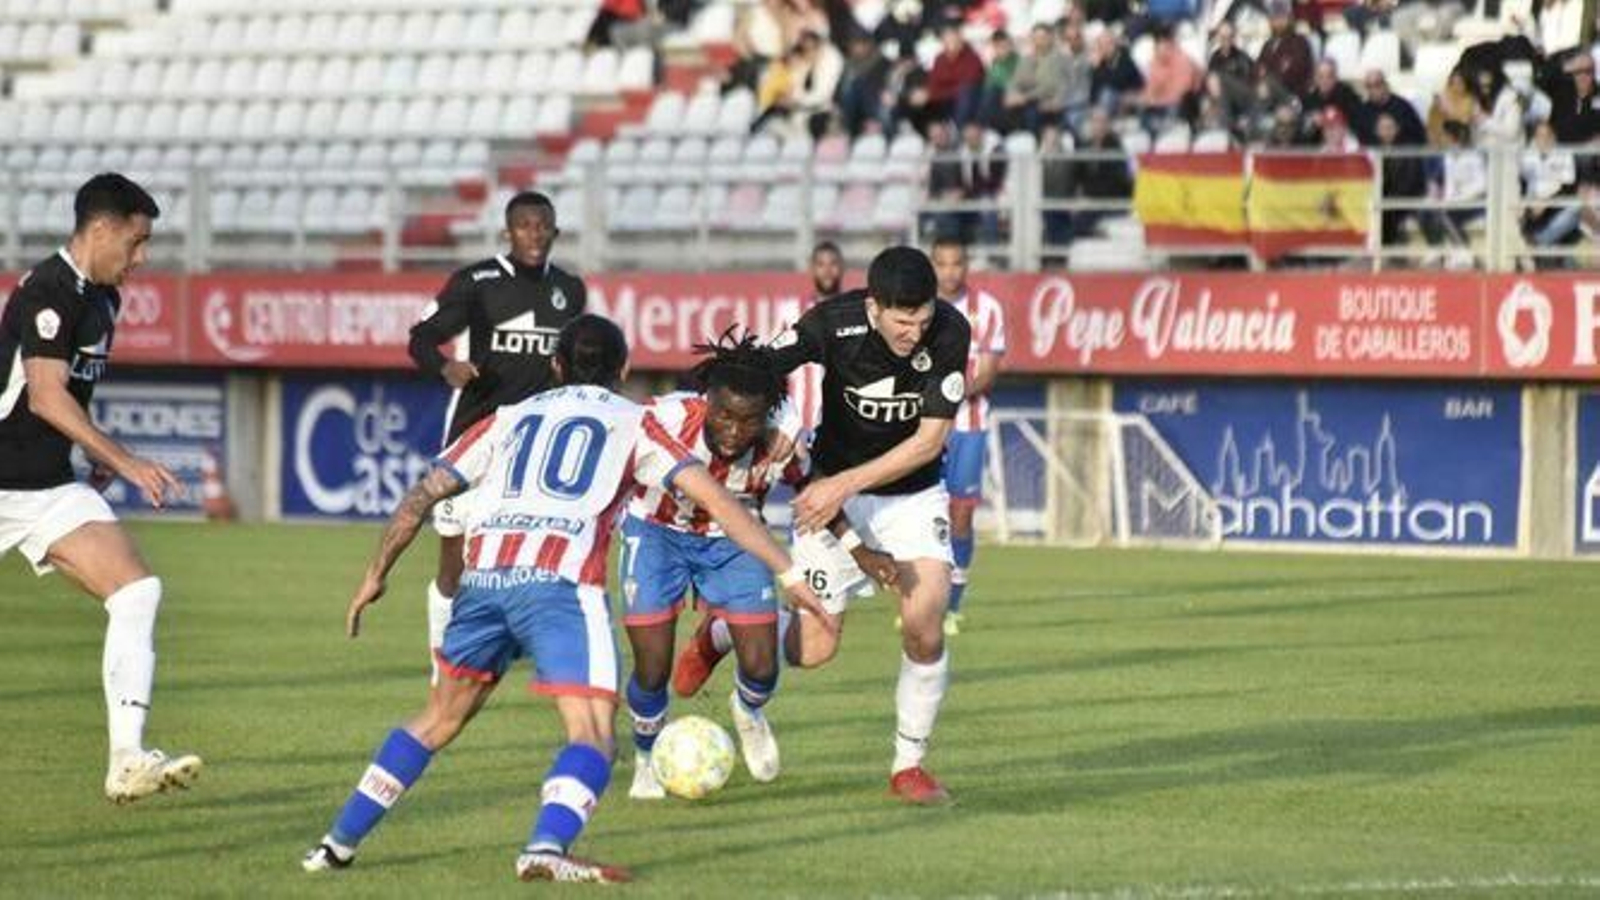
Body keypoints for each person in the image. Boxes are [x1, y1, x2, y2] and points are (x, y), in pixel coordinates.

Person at [302, 316, 829, 882]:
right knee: (595, 737)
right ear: (624, 370)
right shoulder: (638, 423)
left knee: (437, 718)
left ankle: (336, 844)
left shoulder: (506, 417)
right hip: (558, 586)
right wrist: (790, 572)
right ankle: (545, 848)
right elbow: (723, 505)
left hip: (485, 581)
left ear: (555, 366)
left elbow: (424, 493)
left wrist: (375, 574)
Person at [676, 246, 972, 805]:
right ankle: (721, 633)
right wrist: (784, 421)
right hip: (831, 500)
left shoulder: (951, 332)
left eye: (923, 319)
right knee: (811, 651)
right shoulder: (832, 323)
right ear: (873, 307)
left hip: (909, 496)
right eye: (903, 321)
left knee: (925, 618)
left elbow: (928, 442)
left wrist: (842, 482)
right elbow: (754, 365)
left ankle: (908, 764)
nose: (914, 332)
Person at [620, 332, 895, 799]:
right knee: (652, 667)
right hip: (656, 534)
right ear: (707, 401)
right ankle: (646, 759)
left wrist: (859, 551)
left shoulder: (783, 438)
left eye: (747, 421)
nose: (733, 430)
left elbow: (816, 494)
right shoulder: (664, 418)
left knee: (763, 664)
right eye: (724, 415)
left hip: (736, 539)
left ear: (766, 414)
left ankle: (748, 711)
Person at [0, 173, 202, 803]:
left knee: (138, 590)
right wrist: (126, 458)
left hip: (47, 488)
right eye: (136, 243)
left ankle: (127, 757)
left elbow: (73, 399)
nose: (140, 259)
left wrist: (97, 451)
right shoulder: (47, 292)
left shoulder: (105, 299)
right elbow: (46, 394)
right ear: (102, 229)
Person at [407, 191, 587, 683]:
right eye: (524, 226)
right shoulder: (478, 283)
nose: (534, 234)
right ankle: (441, 657)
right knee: (455, 560)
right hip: (475, 436)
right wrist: (446, 366)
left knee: (536, 554)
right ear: (508, 233)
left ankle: (536, 649)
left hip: (534, 445)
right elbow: (420, 336)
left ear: (555, 231)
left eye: (542, 225)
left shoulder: (570, 291)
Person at [929, 238, 1004, 636]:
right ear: (932, 265)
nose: (950, 271)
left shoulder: (987, 310)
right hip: (925, 427)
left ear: (966, 265)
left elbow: (989, 371)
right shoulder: (918, 310)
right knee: (924, 513)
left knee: (960, 513)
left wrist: (951, 393)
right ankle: (925, 602)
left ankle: (952, 606)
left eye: (956, 263)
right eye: (942, 263)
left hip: (968, 427)